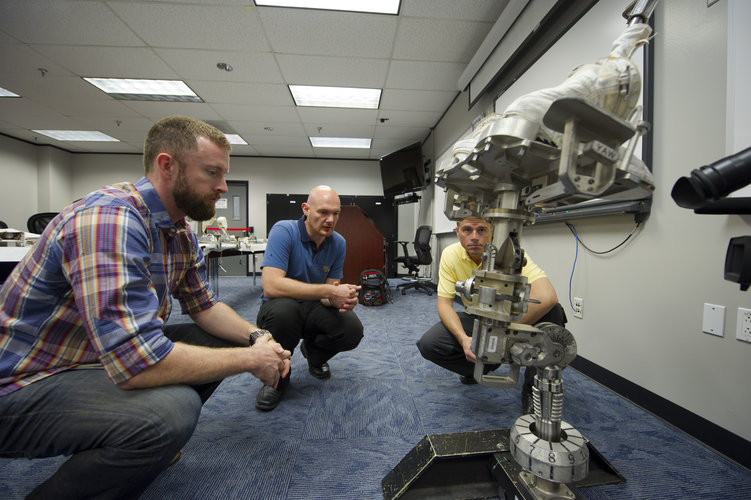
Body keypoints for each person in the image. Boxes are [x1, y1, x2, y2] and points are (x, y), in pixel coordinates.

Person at [0, 116, 291, 499]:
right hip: (24, 381)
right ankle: (139, 437)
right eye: (211, 172)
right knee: (170, 413)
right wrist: (251, 360)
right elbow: (137, 361)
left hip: (94, 358)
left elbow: (204, 306)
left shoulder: (179, 230)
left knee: (213, 339)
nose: (222, 187)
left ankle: (129, 442)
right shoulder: (110, 219)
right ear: (166, 165)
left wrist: (256, 338)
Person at [416, 217, 566, 414]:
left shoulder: (509, 254)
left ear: (492, 231)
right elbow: (445, 305)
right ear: (457, 231)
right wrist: (463, 339)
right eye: (467, 230)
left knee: (554, 312)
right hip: (479, 316)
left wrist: (501, 337)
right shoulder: (450, 254)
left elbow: (548, 297)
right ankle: (480, 367)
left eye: (482, 230)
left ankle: (532, 388)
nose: (474, 237)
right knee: (430, 344)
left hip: (509, 319)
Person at [255, 185, 364, 411]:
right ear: (306, 209)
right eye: (323, 212)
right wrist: (329, 292)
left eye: (335, 213)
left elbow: (328, 291)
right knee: (284, 312)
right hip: (279, 307)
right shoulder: (284, 230)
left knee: (352, 329)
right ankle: (277, 380)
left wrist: (340, 299)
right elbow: (271, 286)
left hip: (312, 308)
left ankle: (313, 355)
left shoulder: (338, 243)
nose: (330, 219)